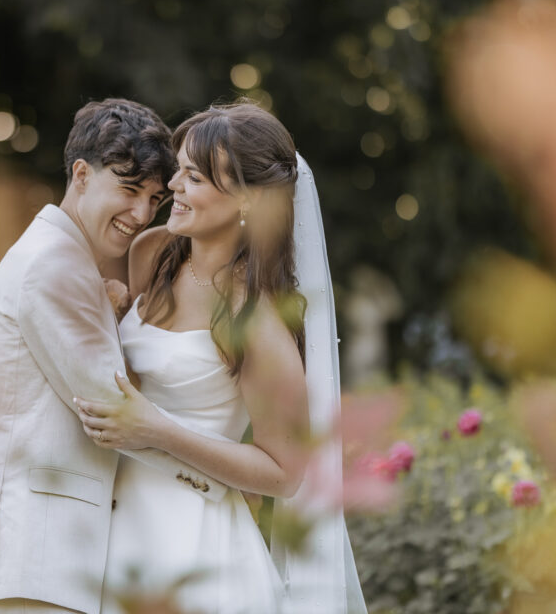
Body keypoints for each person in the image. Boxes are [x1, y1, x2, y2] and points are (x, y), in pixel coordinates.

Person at [75, 101, 367, 613]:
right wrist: (113, 313)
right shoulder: (151, 254)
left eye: (193, 177)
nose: (173, 188)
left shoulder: (254, 319)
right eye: (179, 171)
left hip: (196, 544)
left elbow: (284, 472)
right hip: (112, 524)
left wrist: (158, 430)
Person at [0, 98, 230, 614]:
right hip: (35, 556)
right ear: (81, 173)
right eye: (127, 190)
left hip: (40, 560)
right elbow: (115, 409)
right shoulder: (54, 266)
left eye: (153, 199)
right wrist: (225, 483)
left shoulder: (62, 261)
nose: (141, 214)